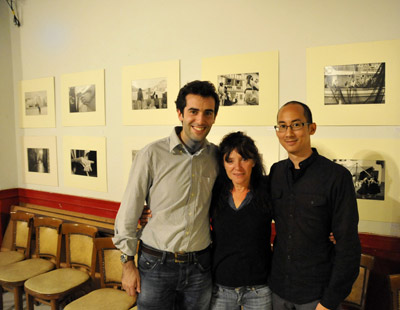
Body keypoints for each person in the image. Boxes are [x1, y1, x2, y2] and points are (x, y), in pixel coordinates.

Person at [112, 80, 220, 310]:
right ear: (180, 113)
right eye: (193, 111)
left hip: (200, 266)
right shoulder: (151, 154)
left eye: (207, 113)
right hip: (155, 265)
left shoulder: (216, 157)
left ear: (214, 117)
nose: (200, 120)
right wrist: (127, 264)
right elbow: (129, 211)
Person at [269, 101, 361, 310]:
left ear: (312, 128)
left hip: (316, 295)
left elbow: (348, 246)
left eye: (296, 125)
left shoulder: (337, 177)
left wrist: (329, 302)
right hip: (277, 290)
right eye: (282, 126)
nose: (288, 133)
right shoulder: (276, 173)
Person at [210, 131, 272, 310]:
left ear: (254, 161)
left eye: (244, 159)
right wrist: (148, 213)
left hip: (259, 290)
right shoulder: (214, 193)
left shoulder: (268, 190)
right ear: (223, 163)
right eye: (230, 160)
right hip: (221, 289)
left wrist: (327, 233)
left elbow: (294, 218)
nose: (237, 167)